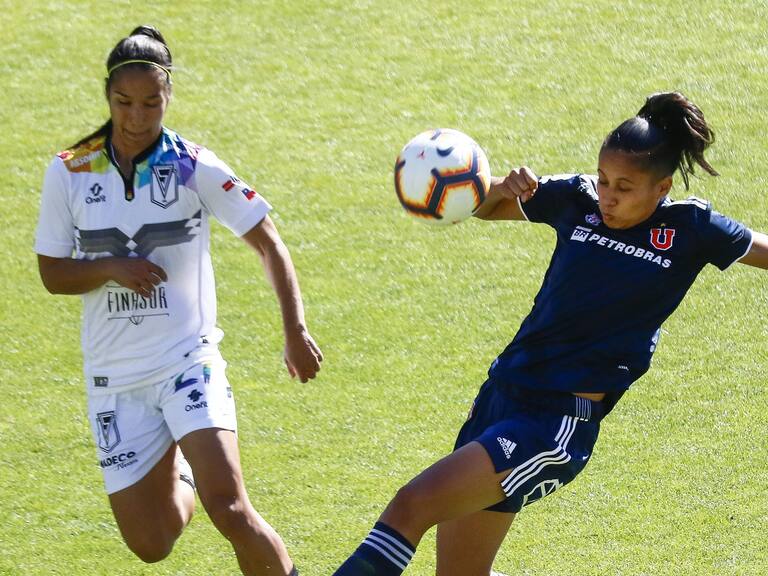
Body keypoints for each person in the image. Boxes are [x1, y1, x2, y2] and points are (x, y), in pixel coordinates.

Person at [333, 92, 768, 575]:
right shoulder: (575, 199)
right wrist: (500, 184)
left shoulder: (693, 229)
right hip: (501, 398)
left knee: (411, 505)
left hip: (554, 424)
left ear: (661, 187)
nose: (608, 195)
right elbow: (483, 208)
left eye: (625, 186)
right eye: (604, 180)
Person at [34, 26, 322, 576]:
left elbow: (268, 243)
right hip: (115, 380)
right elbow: (52, 274)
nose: (137, 118)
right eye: (124, 103)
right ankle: (181, 469)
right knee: (151, 542)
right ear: (107, 96)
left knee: (231, 510)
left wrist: (295, 328)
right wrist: (113, 269)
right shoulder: (69, 170)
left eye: (151, 103)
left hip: (188, 363)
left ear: (169, 97)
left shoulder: (194, 165)